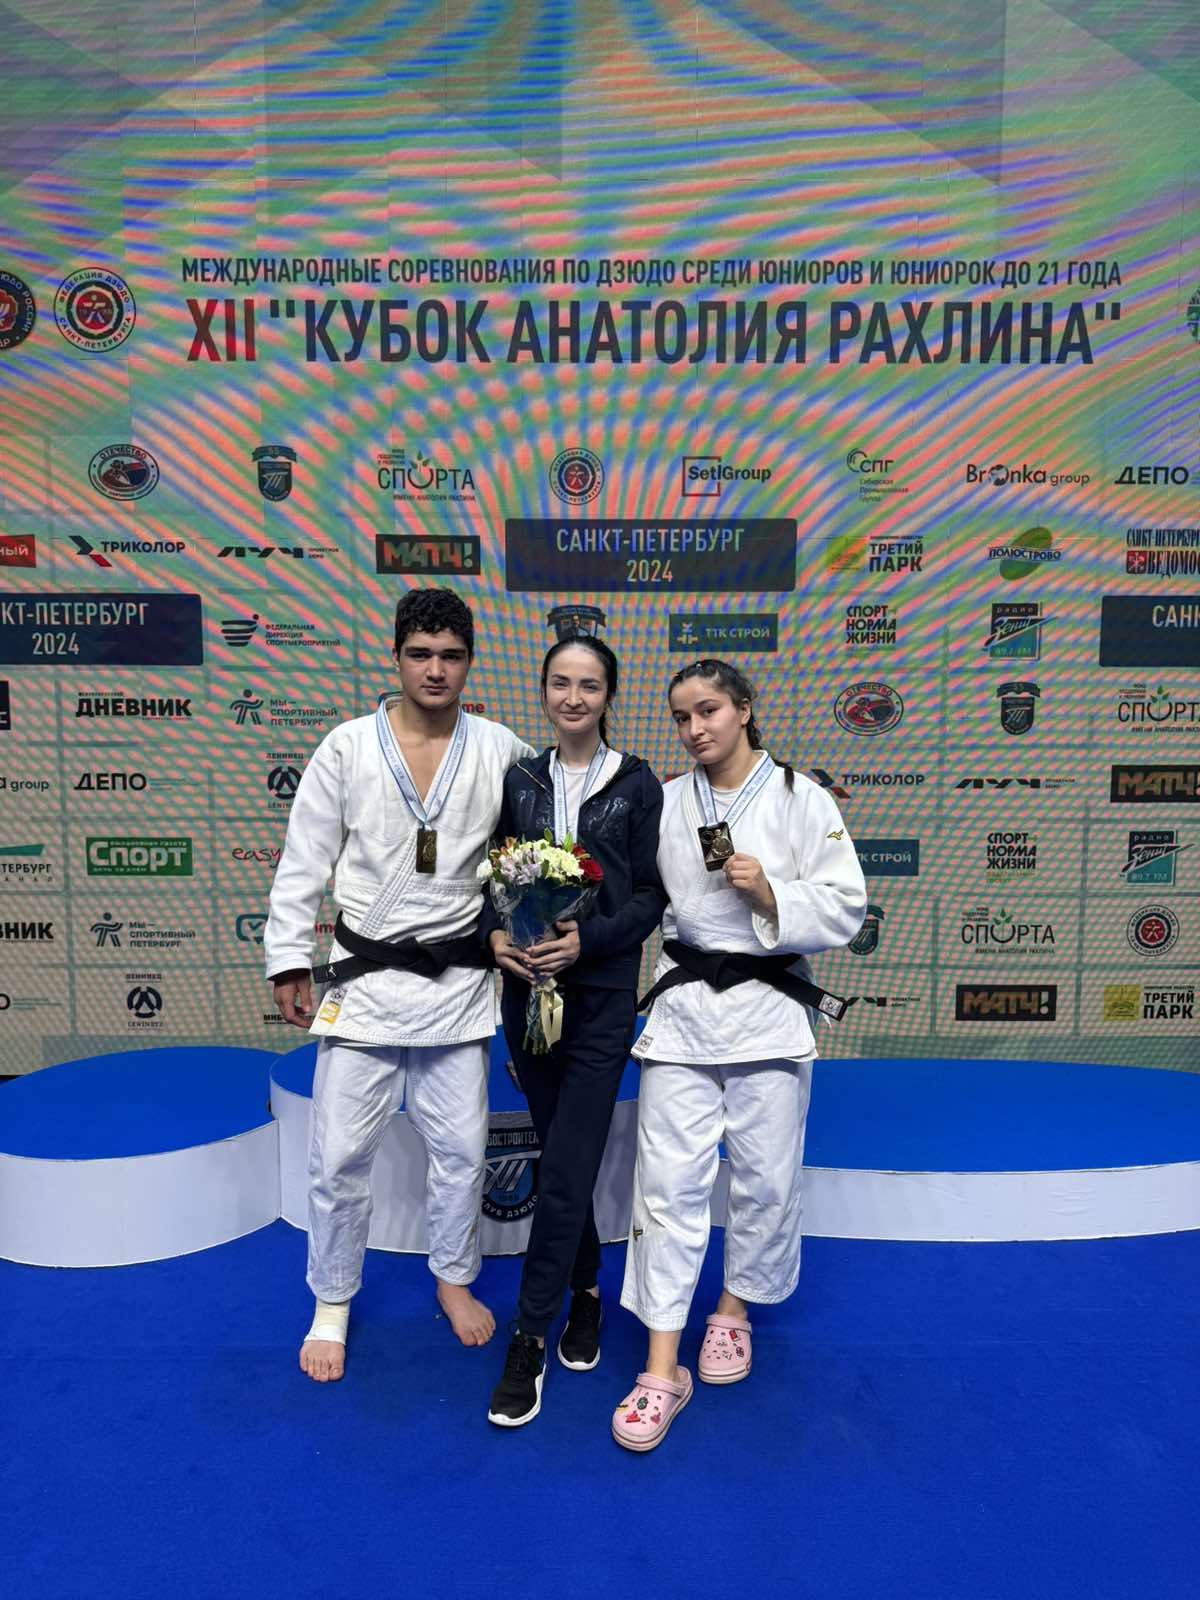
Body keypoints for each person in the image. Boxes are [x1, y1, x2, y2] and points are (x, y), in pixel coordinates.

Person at [264, 588, 533, 1383]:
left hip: (456, 984)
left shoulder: (501, 749)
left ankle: (452, 1277)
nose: (435, 670)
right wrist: (288, 957)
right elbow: (304, 858)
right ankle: (332, 1301)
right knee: (339, 1156)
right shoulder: (347, 746)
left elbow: (535, 854)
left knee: (461, 1152)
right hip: (367, 981)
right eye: (420, 654)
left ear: (470, 661)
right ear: (396, 657)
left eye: (450, 655)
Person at [611, 658, 866, 1452]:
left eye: (709, 710)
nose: (695, 729)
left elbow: (848, 905)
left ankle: (731, 1312)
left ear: (745, 709)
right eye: (682, 716)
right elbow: (641, 900)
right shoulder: (667, 802)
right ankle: (662, 1367)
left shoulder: (801, 798)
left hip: (769, 1012)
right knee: (665, 1188)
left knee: (764, 1177)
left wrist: (772, 895)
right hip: (686, 1012)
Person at [482, 633, 666, 1427]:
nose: (573, 698)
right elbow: (491, 876)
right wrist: (497, 938)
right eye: (560, 683)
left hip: (599, 1001)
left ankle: (528, 1334)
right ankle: (585, 1290)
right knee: (563, 1157)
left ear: (608, 695)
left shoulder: (636, 783)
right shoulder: (520, 779)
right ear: (544, 691)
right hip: (526, 995)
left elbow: (652, 897)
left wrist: (586, 941)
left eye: (589, 685)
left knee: (563, 1168)